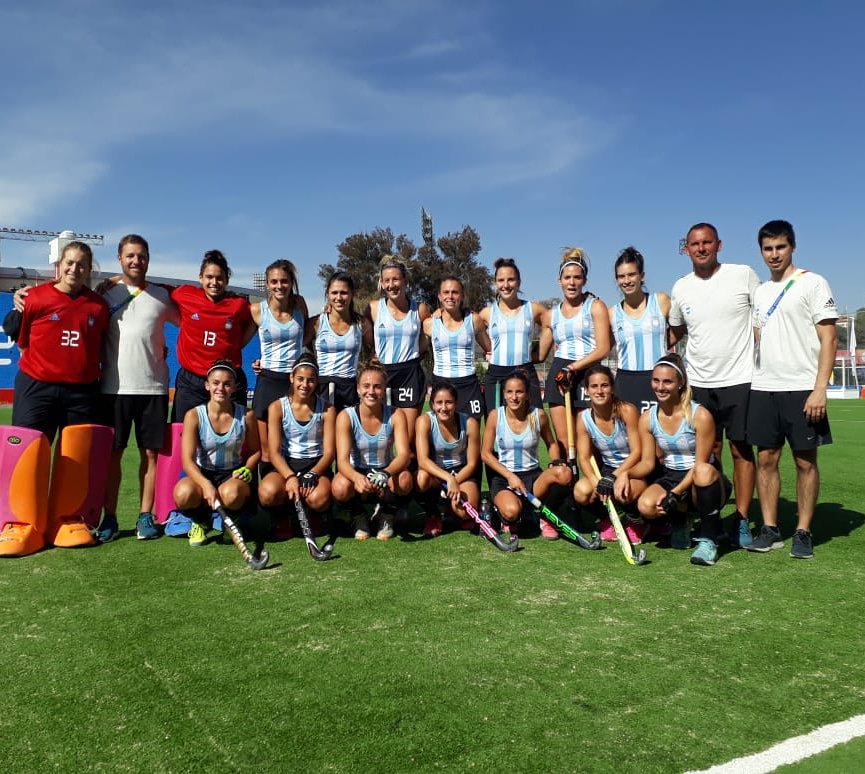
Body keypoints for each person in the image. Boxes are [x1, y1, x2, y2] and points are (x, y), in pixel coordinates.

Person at [745, 220, 837, 559]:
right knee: (766, 458)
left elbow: (829, 338)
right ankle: (770, 528)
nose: (774, 255)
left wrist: (819, 389)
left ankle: (803, 531)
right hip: (764, 386)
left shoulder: (813, 283)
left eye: (780, 247)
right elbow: (758, 338)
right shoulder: (760, 291)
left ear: (792, 247)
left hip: (802, 387)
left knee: (805, 461)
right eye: (768, 249)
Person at [669, 223, 760, 548]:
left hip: (740, 380)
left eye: (707, 242)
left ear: (719, 244)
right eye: (695, 244)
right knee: (710, 453)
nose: (701, 248)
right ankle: (712, 519)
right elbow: (674, 332)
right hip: (699, 384)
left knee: (740, 450)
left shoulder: (743, 275)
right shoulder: (681, 287)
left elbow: (762, 319)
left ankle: (742, 520)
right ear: (686, 249)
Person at [96, 235, 179, 542]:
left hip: (153, 388)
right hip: (113, 389)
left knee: (151, 457)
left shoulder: (162, 296)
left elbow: (192, 323)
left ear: (148, 259)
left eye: (141, 256)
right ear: (120, 258)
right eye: (130, 256)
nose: (136, 261)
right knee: (112, 456)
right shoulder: (104, 293)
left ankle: (146, 516)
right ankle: (110, 518)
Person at [12, 241, 109, 441]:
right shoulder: (33, 298)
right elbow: (22, 343)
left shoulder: (99, 306)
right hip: (37, 387)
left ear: (89, 269)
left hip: (81, 392)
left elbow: (100, 345)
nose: (74, 269)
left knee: (76, 461)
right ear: (60, 264)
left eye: (81, 264)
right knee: (30, 455)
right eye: (69, 262)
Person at [635, 355, 726, 566]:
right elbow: (648, 463)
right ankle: (681, 521)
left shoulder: (700, 415)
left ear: (680, 383)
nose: (660, 387)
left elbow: (700, 466)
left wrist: (674, 494)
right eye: (656, 380)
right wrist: (619, 475)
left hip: (703, 479)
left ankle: (709, 540)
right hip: (672, 477)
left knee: (703, 471)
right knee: (646, 505)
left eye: (667, 381)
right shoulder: (647, 418)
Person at [173, 361, 261, 548]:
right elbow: (187, 460)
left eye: (227, 384)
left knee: (231, 494)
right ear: (207, 385)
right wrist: (205, 484)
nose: (220, 388)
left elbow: (255, 451)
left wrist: (248, 468)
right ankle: (201, 520)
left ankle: (232, 521)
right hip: (202, 473)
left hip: (232, 474)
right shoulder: (194, 415)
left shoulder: (247, 415)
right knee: (183, 493)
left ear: (234, 388)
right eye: (215, 383)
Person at [481, 370, 571, 538]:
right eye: (509, 392)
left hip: (533, 478)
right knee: (511, 512)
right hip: (505, 479)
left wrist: (556, 460)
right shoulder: (495, 416)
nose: (514, 397)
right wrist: (509, 475)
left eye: (519, 391)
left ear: (528, 394)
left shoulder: (539, 416)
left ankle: (546, 517)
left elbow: (551, 443)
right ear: (504, 394)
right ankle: (503, 513)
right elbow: (485, 454)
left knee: (565, 473)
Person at [331, 360, 412, 540]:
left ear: (384, 390)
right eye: (366, 386)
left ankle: (387, 515)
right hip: (359, 472)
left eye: (377, 387)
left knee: (405, 479)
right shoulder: (346, 416)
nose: (371, 391)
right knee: (339, 486)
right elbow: (342, 461)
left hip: (385, 471)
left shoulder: (396, 414)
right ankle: (358, 516)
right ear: (358, 389)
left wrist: (385, 473)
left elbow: (404, 455)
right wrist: (356, 477)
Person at [170, 250, 255, 421]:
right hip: (192, 381)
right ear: (200, 277)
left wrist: (237, 344)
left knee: (234, 436)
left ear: (227, 280)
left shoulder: (238, 305)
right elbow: (152, 289)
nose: (214, 282)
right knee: (184, 435)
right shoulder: (184, 294)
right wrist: (115, 280)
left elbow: (259, 316)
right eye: (209, 277)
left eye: (220, 278)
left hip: (227, 379)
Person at [540, 247, 611, 451]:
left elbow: (603, 348)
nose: (572, 282)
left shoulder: (595, 306)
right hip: (559, 374)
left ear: (584, 280)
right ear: (559, 280)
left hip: (586, 372)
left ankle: (591, 483)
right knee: (565, 445)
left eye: (577, 277)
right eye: (567, 277)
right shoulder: (551, 314)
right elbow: (540, 354)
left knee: (588, 444)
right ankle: (568, 482)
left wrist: (573, 368)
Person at [258, 354, 336, 539]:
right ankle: (282, 518)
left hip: (314, 466)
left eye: (310, 380)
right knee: (268, 493)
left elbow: (329, 452)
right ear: (291, 378)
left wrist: (313, 474)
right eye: (300, 379)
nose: (305, 384)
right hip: (286, 465)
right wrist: (290, 476)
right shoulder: (277, 407)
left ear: (317, 382)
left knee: (319, 498)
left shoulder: (327, 409)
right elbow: (274, 453)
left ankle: (315, 516)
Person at [573, 365, 647, 543]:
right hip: (607, 470)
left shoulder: (627, 411)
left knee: (622, 491)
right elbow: (583, 457)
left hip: (634, 469)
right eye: (594, 386)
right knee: (581, 492)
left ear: (612, 388)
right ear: (587, 390)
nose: (599, 391)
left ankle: (636, 521)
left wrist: (615, 476)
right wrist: (595, 482)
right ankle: (609, 519)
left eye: (604, 385)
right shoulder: (583, 418)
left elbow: (637, 452)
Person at [366, 256, 431, 447]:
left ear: (405, 281)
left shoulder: (419, 309)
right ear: (381, 283)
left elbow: (427, 337)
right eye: (387, 280)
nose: (391, 284)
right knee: (381, 441)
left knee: (406, 441)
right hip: (382, 374)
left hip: (409, 375)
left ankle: (408, 476)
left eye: (396, 279)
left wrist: (416, 354)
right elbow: (360, 331)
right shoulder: (373, 308)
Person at [250, 259, 309, 465]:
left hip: (295, 384)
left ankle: (291, 492)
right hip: (267, 382)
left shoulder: (300, 305)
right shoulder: (257, 310)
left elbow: (307, 336)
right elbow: (239, 342)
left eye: (284, 281)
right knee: (266, 452)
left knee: (293, 446)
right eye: (273, 281)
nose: (279, 286)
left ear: (291, 282)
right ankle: (267, 496)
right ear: (266, 284)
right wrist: (257, 362)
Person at [478, 258, 547, 411]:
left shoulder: (533, 309)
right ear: (495, 283)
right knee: (495, 427)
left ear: (519, 282)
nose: (506, 285)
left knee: (535, 422)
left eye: (511, 280)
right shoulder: (486, 313)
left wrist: (539, 355)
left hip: (525, 371)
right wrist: (441, 311)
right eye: (501, 280)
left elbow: (553, 325)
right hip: (496, 375)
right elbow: (465, 326)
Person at [414, 382, 482, 537]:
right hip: (436, 473)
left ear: (456, 403)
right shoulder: (424, 421)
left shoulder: (470, 423)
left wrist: (455, 480)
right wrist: (448, 479)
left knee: (465, 513)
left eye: (449, 402)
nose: (444, 408)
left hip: (462, 471)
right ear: (432, 404)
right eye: (439, 403)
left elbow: (473, 463)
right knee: (421, 479)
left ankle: (451, 510)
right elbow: (423, 461)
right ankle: (433, 515)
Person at [608, 246, 670, 412]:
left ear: (641, 276)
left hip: (658, 379)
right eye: (621, 276)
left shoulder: (661, 301)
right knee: (629, 436)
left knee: (658, 434)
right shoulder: (612, 313)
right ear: (616, 280)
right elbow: (603, 347)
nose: (626, 280)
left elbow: (678, 330)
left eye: (631, 274)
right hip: (626, 381)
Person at [422, 276, 490, 422]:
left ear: (462, 295)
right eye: (446, 292)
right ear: (439, 296)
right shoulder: (429, 324)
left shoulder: (474, 320)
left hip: (468, 384)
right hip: (441, 382)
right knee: (442, 435)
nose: (450, 296)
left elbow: (489, 348)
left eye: (455, 292)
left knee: (472, 435)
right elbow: (418, 351)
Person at [309, 271, 371, 411]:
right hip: (322, 387)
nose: (339, 297)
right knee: (323, 433)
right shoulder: (317, 322)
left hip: (348, 387)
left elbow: (377, 350)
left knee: (347, 431)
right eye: (334, 293)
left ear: (352, 294)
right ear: (328, 294)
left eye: (343, 292)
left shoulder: (362, 323)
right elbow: (296, 346)